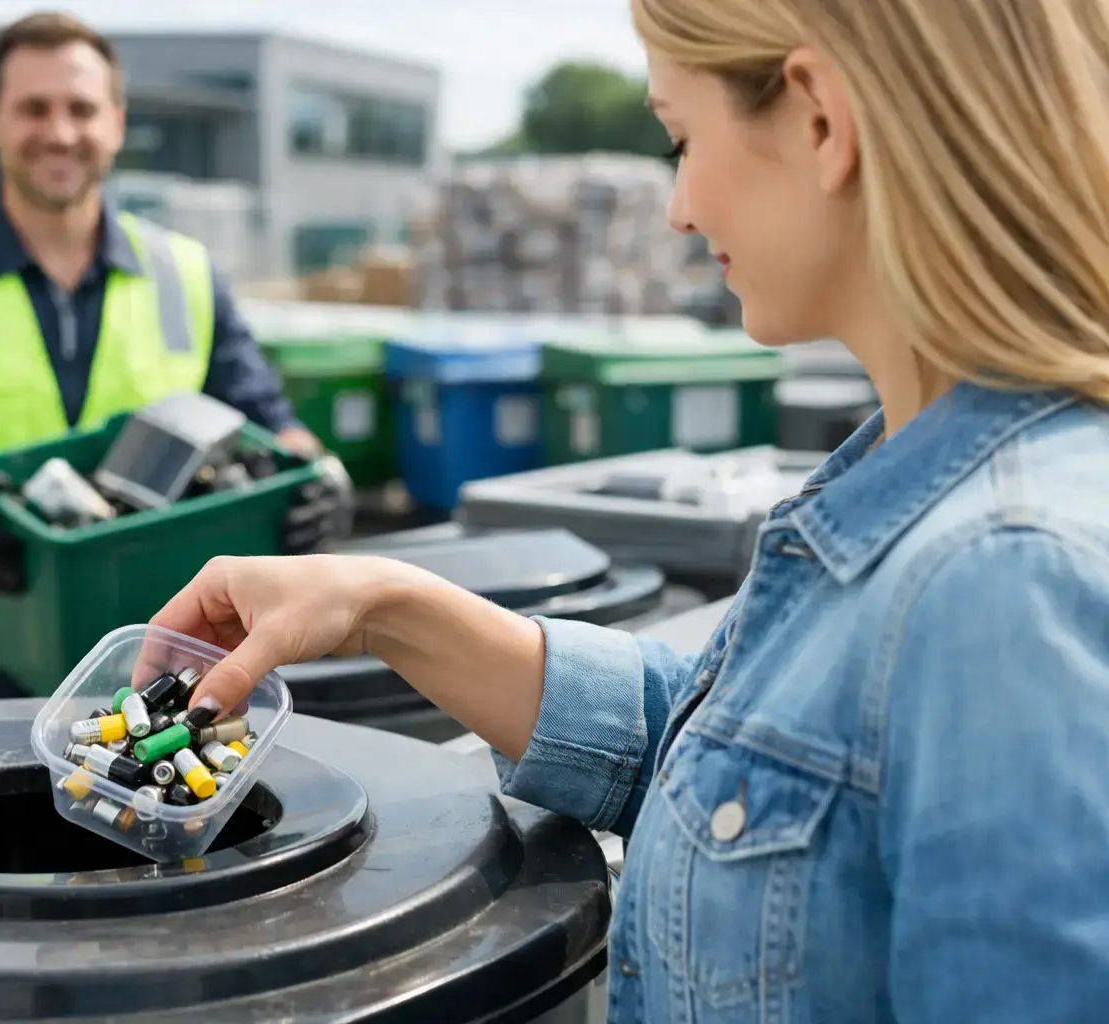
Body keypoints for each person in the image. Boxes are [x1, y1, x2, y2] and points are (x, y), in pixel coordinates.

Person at [149, 1, 1109, 1021]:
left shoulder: (1005, 586)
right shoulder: (909, 478)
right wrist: (377, 601)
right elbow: (722, 752)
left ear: (822, 120)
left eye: (681, 138)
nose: (677, 211)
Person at [0, 11, 344, 707]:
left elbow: (273, 426)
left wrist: (319, 476)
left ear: (115, 123)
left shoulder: (184, 275)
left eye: (81, 109)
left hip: (160, 668)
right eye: (33, 109)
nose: (59, 133)